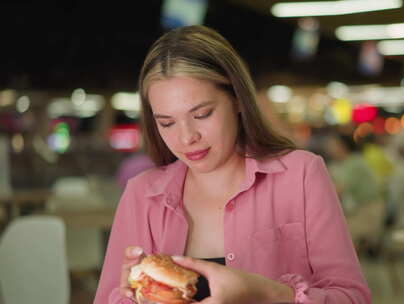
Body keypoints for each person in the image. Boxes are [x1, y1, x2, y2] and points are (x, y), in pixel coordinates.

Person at [94, 25, 371, 304]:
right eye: (166, 122)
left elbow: (352, 297)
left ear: (237, 99)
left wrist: (269, 294)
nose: (187, 137)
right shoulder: (143, 194)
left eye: (202, 114)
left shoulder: (300, 174)